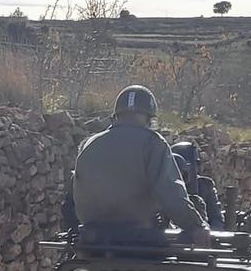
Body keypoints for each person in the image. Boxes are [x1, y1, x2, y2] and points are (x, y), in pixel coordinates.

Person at [72, 85, 209, 243]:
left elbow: (76, 192)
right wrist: (196, 226)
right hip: (139, 241)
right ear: (149, 118)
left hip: (93, 242)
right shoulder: (153, 143)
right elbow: (170, 193)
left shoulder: (89, 143)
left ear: (117, 115)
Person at [172, 141, 225, 228]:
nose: (194, 168)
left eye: (196, 164)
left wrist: (209, 233)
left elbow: (216, 219)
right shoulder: (165, 185)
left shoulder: (205, 185)